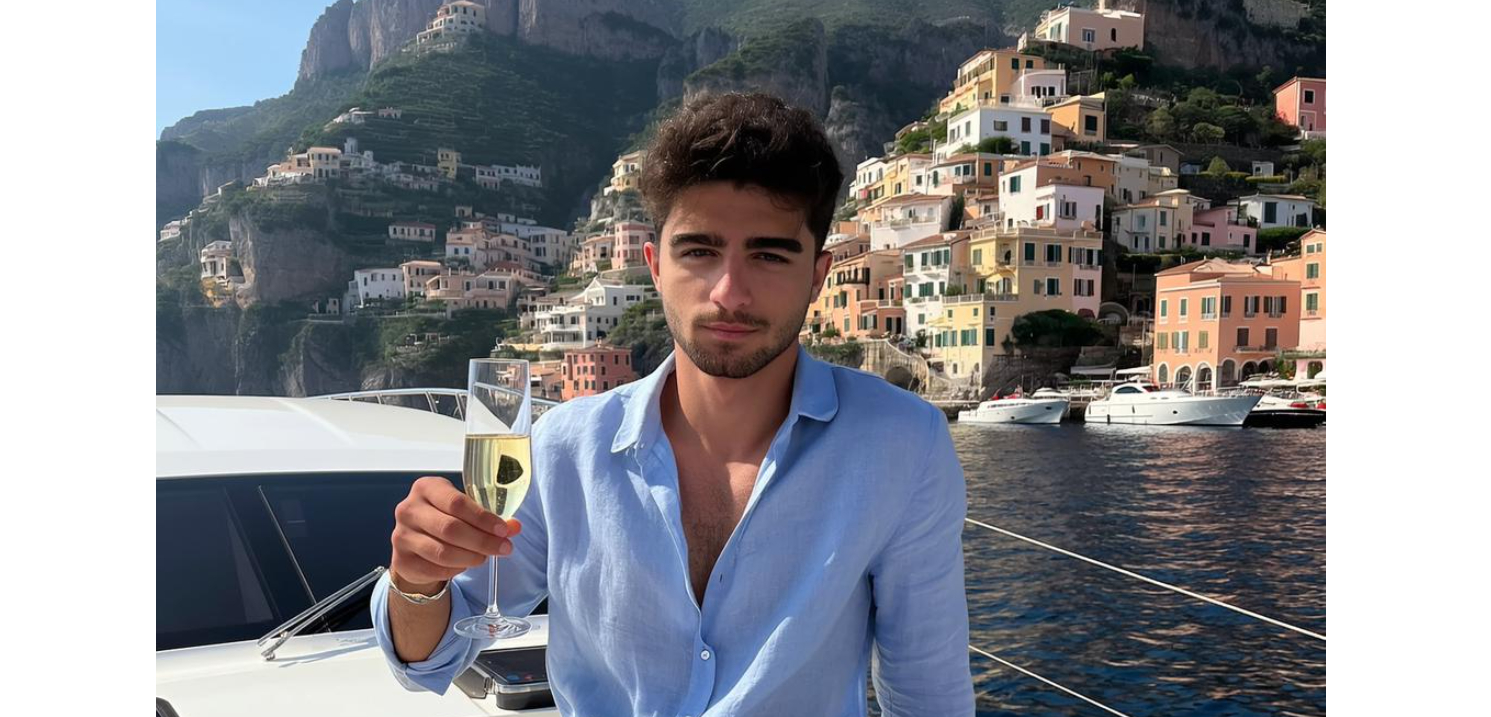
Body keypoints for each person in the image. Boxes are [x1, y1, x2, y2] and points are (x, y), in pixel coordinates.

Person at [372, 92, 974, 716]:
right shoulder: (563, 450)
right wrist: (417, 580)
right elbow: (430, 658)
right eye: (699, 252)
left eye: (769, 255)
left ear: (818, 276)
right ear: (656, 266)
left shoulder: (903, 445)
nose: (729, 293)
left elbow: (929, 698)